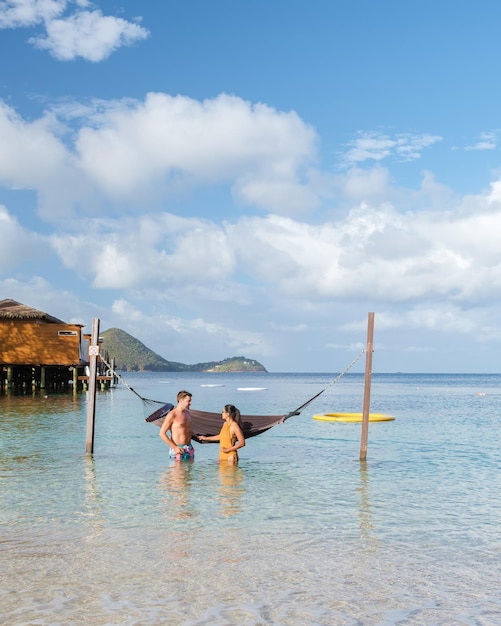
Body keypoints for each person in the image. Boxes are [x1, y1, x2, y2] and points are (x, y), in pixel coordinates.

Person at [159, 390, 194, 460]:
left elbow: (186, 430)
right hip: (177, 449)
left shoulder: (187, 413)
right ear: (181, 401)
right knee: (177, 471)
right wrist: (174, 448)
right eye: (189, 401)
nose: (191, 403)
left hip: (189, 448)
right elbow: (162, 433)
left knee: (189, 471)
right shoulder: (172, 415)